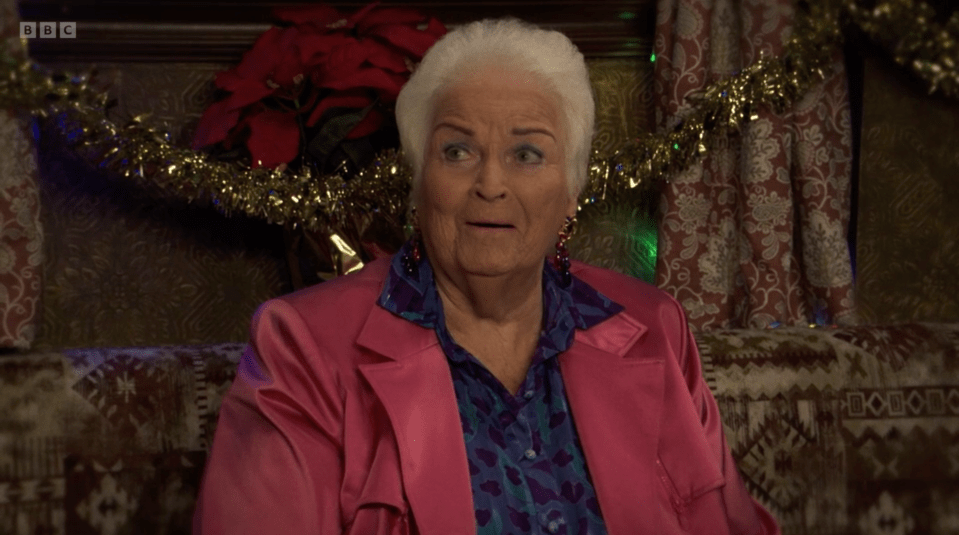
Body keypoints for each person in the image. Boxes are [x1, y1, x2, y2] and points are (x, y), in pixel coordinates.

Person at [193, 18, 780, 535]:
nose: (491, 184)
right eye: (457, 152)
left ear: (570, 192)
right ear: (419, 182)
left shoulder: (654, 326)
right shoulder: (303, 347)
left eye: (527, 154)